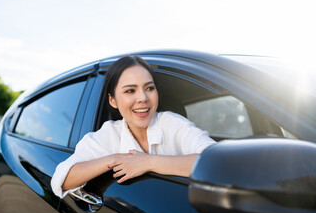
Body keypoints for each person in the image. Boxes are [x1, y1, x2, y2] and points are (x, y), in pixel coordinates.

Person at [51, 55, 215, 198]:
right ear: (112, 100)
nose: (143, 98)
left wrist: (148, 162)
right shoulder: (109, 133)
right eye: (130, 91)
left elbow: (217, 162)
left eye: (149, 88)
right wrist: (114, 159)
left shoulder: (173, 124)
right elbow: (62, 180)